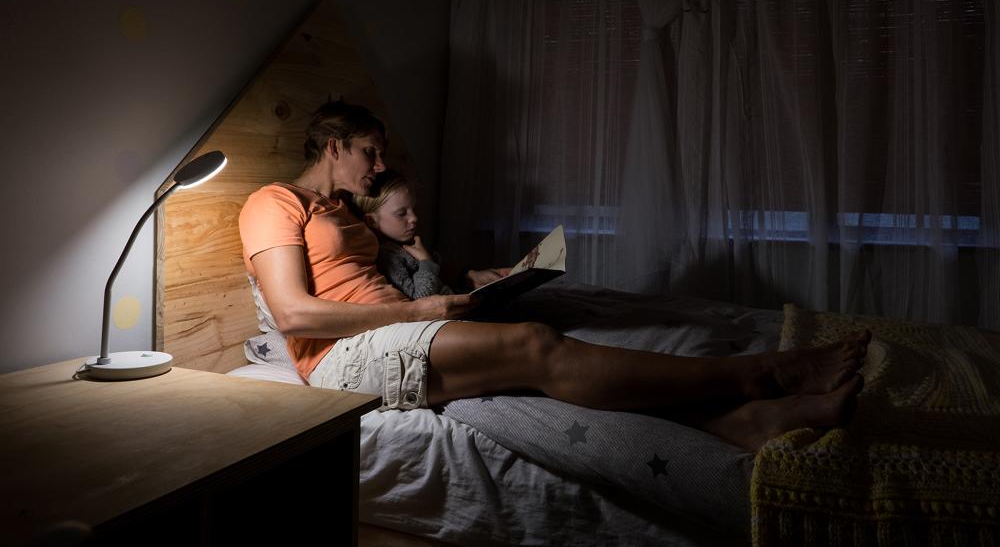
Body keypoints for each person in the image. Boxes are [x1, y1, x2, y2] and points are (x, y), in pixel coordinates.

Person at [239, 100, 870, 452]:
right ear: (331, 147)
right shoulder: (273, 202)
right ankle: (767, 375)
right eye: (368, 151)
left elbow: (390, 264)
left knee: (537, 339)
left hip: (397, 326)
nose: (379, 165)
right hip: (338, 359)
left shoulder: (345, 211)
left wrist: (467, 276)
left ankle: (741, 423)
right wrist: (417, 312)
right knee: (533, 345)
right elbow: (294, 315)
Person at [353, 170, 477, 299]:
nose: (414, 218)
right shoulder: (387, 258)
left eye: (413, 209)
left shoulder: (407, 244)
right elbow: (421, 298)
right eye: (401, 213)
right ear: (371, 221)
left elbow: (442, 272)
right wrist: (426, 261)